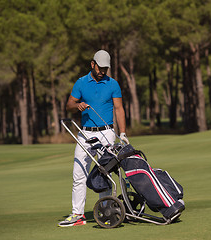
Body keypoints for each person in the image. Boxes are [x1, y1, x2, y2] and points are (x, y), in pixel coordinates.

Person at [58, 50, 129, 227]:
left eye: (105, 68)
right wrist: (77, 105)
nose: (102, 71)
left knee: (104, 173)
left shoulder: (113, 84)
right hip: (86, 133)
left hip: (106, 132)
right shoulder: (81, 83)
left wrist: (123, 133)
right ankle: (78, 215)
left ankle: (106, 212)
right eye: (100, 67)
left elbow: (119, 109)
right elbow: (69, 104)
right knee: (79, 173)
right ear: (92, 64)